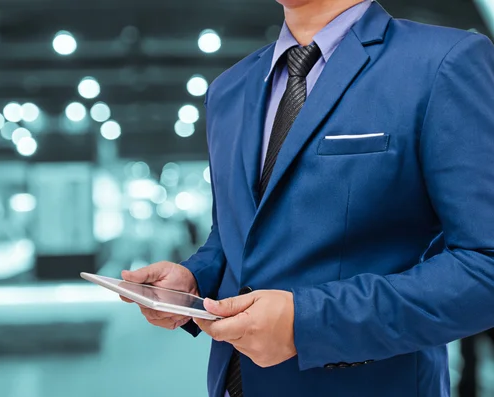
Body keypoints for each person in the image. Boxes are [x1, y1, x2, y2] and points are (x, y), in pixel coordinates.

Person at [121, 0, 494, 396]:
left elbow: (485, 265)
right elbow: (236, 234)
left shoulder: (441, 63)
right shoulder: (229, 89)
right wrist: (195, 279)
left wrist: (309, 323)